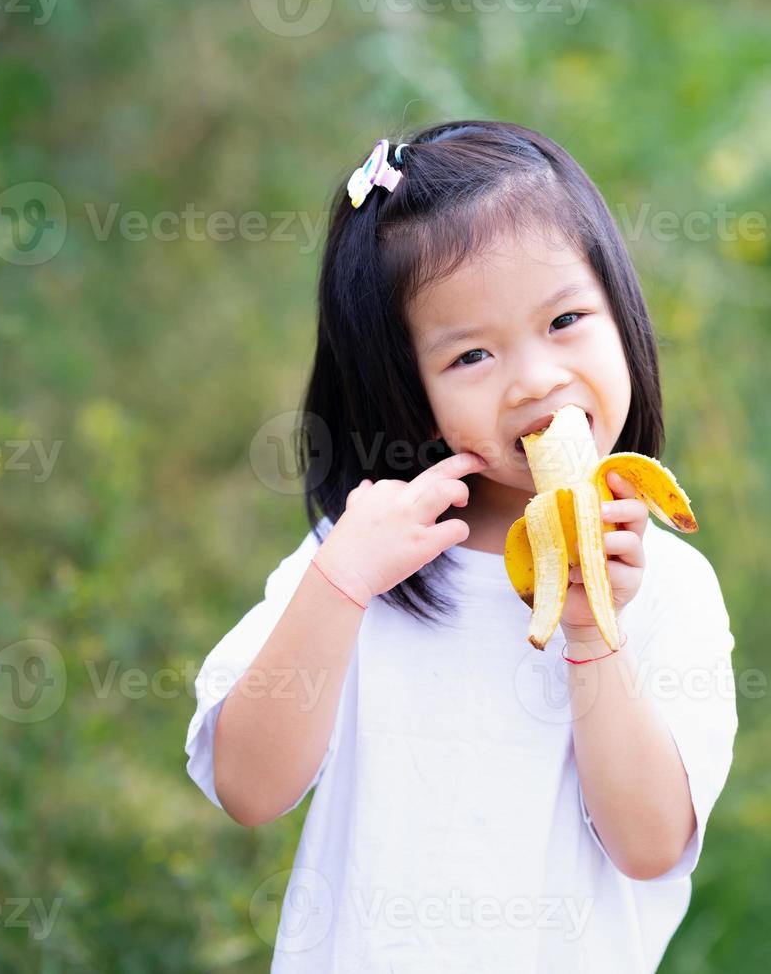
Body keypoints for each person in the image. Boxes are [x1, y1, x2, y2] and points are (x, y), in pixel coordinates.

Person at [184, 120, 737, 972]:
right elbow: (249, 789)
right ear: (405, 391)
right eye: (471, 354)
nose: (535, 379)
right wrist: (340, 582)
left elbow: (650, 844)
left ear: (621, 314)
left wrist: (592, 634)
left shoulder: (665, 586)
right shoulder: (368, 561)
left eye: (565, 319)